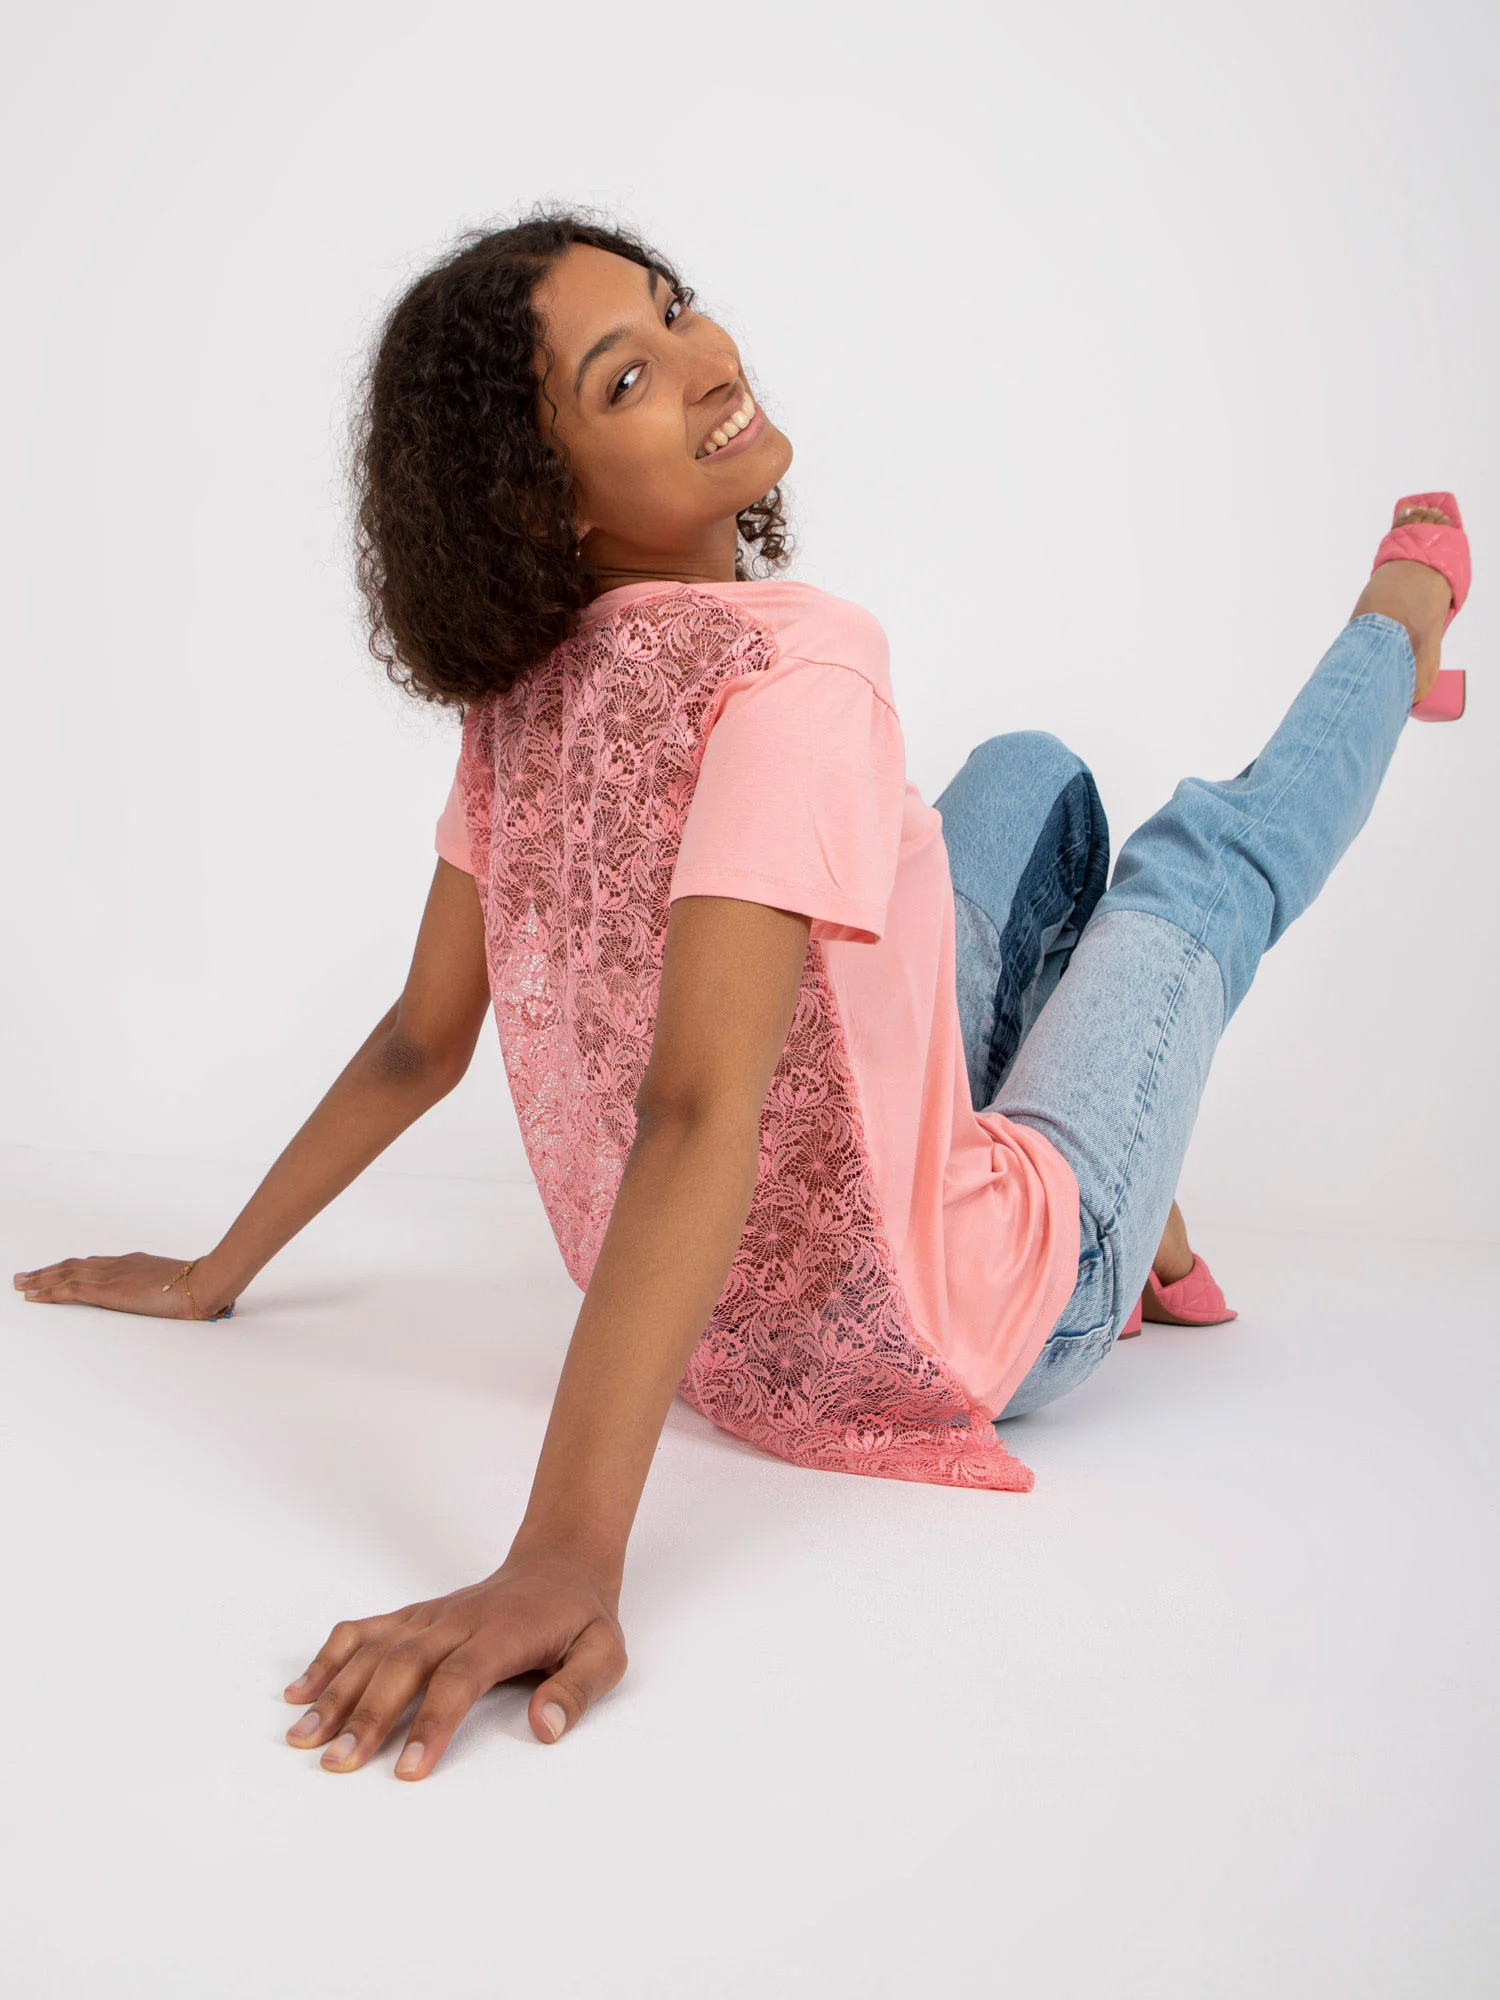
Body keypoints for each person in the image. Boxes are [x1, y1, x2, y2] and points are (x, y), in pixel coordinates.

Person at [11, 211, 1472, 1781]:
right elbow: (696, 1105)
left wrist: (217, 1273)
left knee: (1027, 774)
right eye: (627, 377)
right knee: (1197, 869)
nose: (707, 360)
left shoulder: (527, 696)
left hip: (720, 1334)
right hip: (966, 1326)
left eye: (676, 309)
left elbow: (421, 1041)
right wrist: (562, 1558)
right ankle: (1409, 622)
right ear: (543, 503)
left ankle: (1129, 1166)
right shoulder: (801, 673)